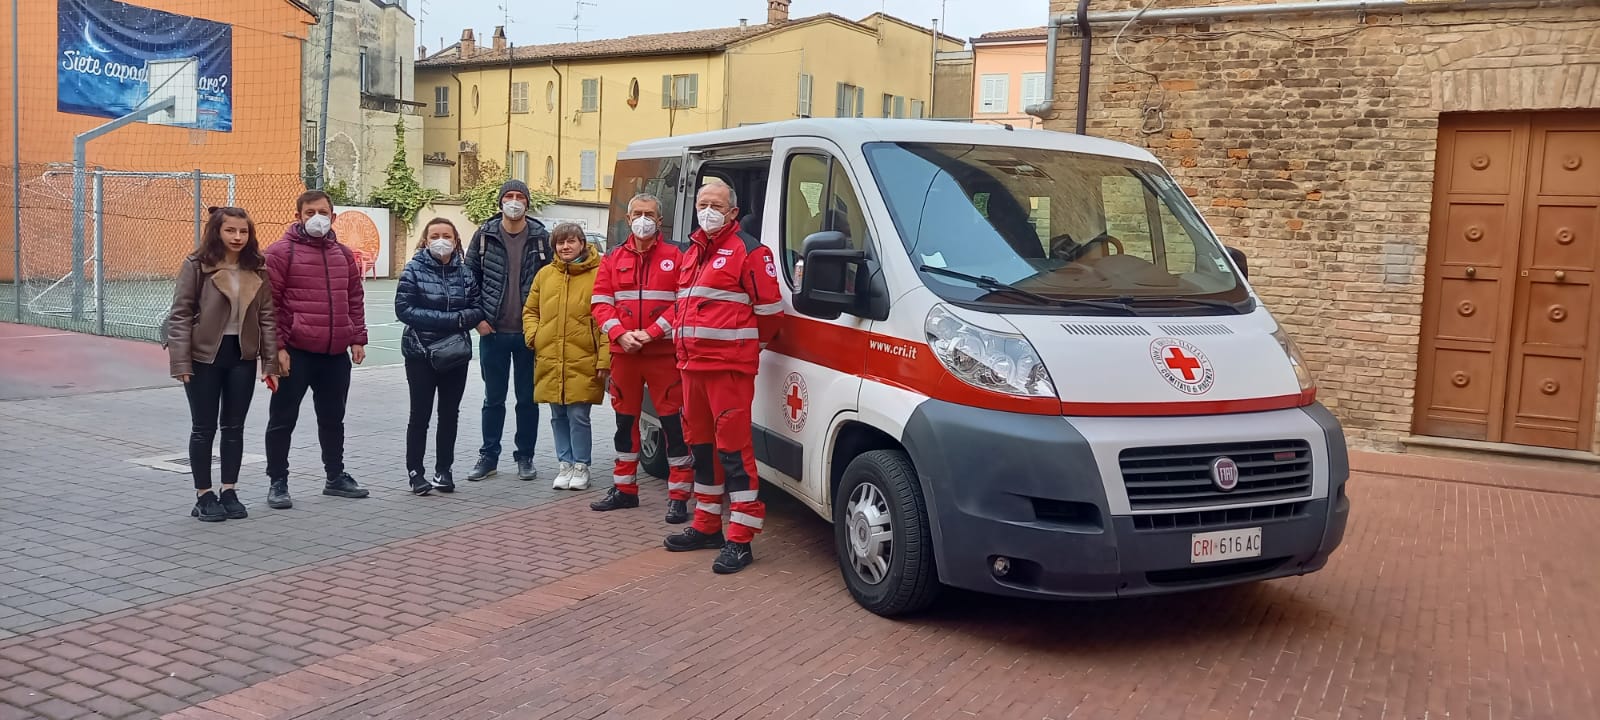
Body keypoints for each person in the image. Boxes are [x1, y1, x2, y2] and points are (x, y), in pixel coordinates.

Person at [664, 182, 784, 574]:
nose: (707, 210)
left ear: (733, 212)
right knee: (702, 450)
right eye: (702, 204)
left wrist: (745, 348)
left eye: (715, 205)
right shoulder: (692, 251)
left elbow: (770, 313)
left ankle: (741, 538)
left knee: (734, 453)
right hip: (691, 368)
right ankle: (706, 524)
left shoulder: (750, 251)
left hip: (728, 370)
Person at [163, 207, 277, 522]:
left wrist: (270, 362)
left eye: (243, 231)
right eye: (231, 231)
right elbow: (181, 313)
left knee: (234, 427)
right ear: (218, 232)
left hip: (241, 356)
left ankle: (229, 490)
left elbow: (267, 316)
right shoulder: (197, 265)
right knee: (204, 427)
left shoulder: (258, 266)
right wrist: (180, 361)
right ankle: (204, 495)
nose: (238, 237)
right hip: (204, 357)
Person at [588, 193, 694, 521]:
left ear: (659, 220)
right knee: (624, 423)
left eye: (649, 214)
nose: (642, 219)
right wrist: (620, 333)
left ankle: (678, 495)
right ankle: (624, 489)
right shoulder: (613, 258)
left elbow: (684, 303)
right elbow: (599, 303)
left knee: (673, 425)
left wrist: (651, 333)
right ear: (628, 218)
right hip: (625, 355)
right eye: (637, 213)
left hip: (662, 354)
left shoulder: (677, 256)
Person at [262, 189, 370, 508]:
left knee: (333, 418)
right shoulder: (280, 253)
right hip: (296, 353)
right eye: (310, 213)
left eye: (323, 212)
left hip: (335, 354)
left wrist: (357, 337)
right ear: (298, 216)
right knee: (282, 418)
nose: (317, 219)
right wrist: (278, 347)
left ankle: (335, 477)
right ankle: (278, 482)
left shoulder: (344, 255)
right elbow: (270, 305)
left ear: (333, 217)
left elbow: (354, 298)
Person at [465, 180, 552, 482]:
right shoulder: (484, 236)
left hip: (529, 335)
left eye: (520, 197)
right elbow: (468, 279)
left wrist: (542, 325)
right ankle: (488, 456)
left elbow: (553, 283)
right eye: (509, 197)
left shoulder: (542, 238)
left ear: (527, 203)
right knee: (493, 399)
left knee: (527, 399)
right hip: (493, 332)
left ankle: (525, 457)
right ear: (500, 202)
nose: (514, 202)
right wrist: (478, 319)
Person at [395, 218, 485, 496]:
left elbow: (477, 308)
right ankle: (415, 473)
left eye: (447, 235)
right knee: (419, 414)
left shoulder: (466, 274)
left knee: (449, 414)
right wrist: (451, 320)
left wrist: (456, 320)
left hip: (454, 354)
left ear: (456, 241)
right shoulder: (413, 270)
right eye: (435, 235)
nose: (441, 240)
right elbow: (404, 310)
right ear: (425, 240)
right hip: (420, 353)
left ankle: (443, 470)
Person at [523, 224, 609, 491]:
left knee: (578, 414)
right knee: (557, 414)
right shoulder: (545, 275)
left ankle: (582, 466)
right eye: (560, 243)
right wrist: (534, 336)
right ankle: (565, 464)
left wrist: (604, 359)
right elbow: (531, 310)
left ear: (582, 243)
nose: (565, 247)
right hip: (550, 357)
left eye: (571, 241)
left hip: (583, 357)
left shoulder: (599, 274)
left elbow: (607, 318)